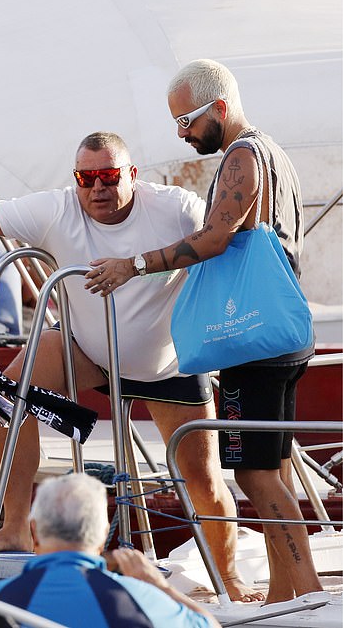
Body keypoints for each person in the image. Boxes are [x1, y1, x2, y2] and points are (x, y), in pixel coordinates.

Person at [0, 131, 261, 601]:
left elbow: (227, 235)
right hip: (87, 350)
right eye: (86, 178)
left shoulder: (176, 208)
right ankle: (13, 529)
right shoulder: (58, 207)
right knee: (8, 398)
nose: (98, 189)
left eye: (109, 177)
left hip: (167, 363)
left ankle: (227, 576)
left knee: (204, 480)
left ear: (131, 175)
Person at [87, 59, 321, 604]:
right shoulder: (273, 152)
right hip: (283, 331)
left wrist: (135, 264)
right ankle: (286, 597)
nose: (182, 132)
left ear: (219, 106)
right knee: (274, 471)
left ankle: (306, 594)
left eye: (187, 120)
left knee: (254, 477)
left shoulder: (242, 155)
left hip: (253, 340)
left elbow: (216, 238)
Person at [0, 473, 219, 628]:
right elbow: (209, 625)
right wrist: (160, 586)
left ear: (34, 531)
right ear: (104, 533)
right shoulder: (141, 599)